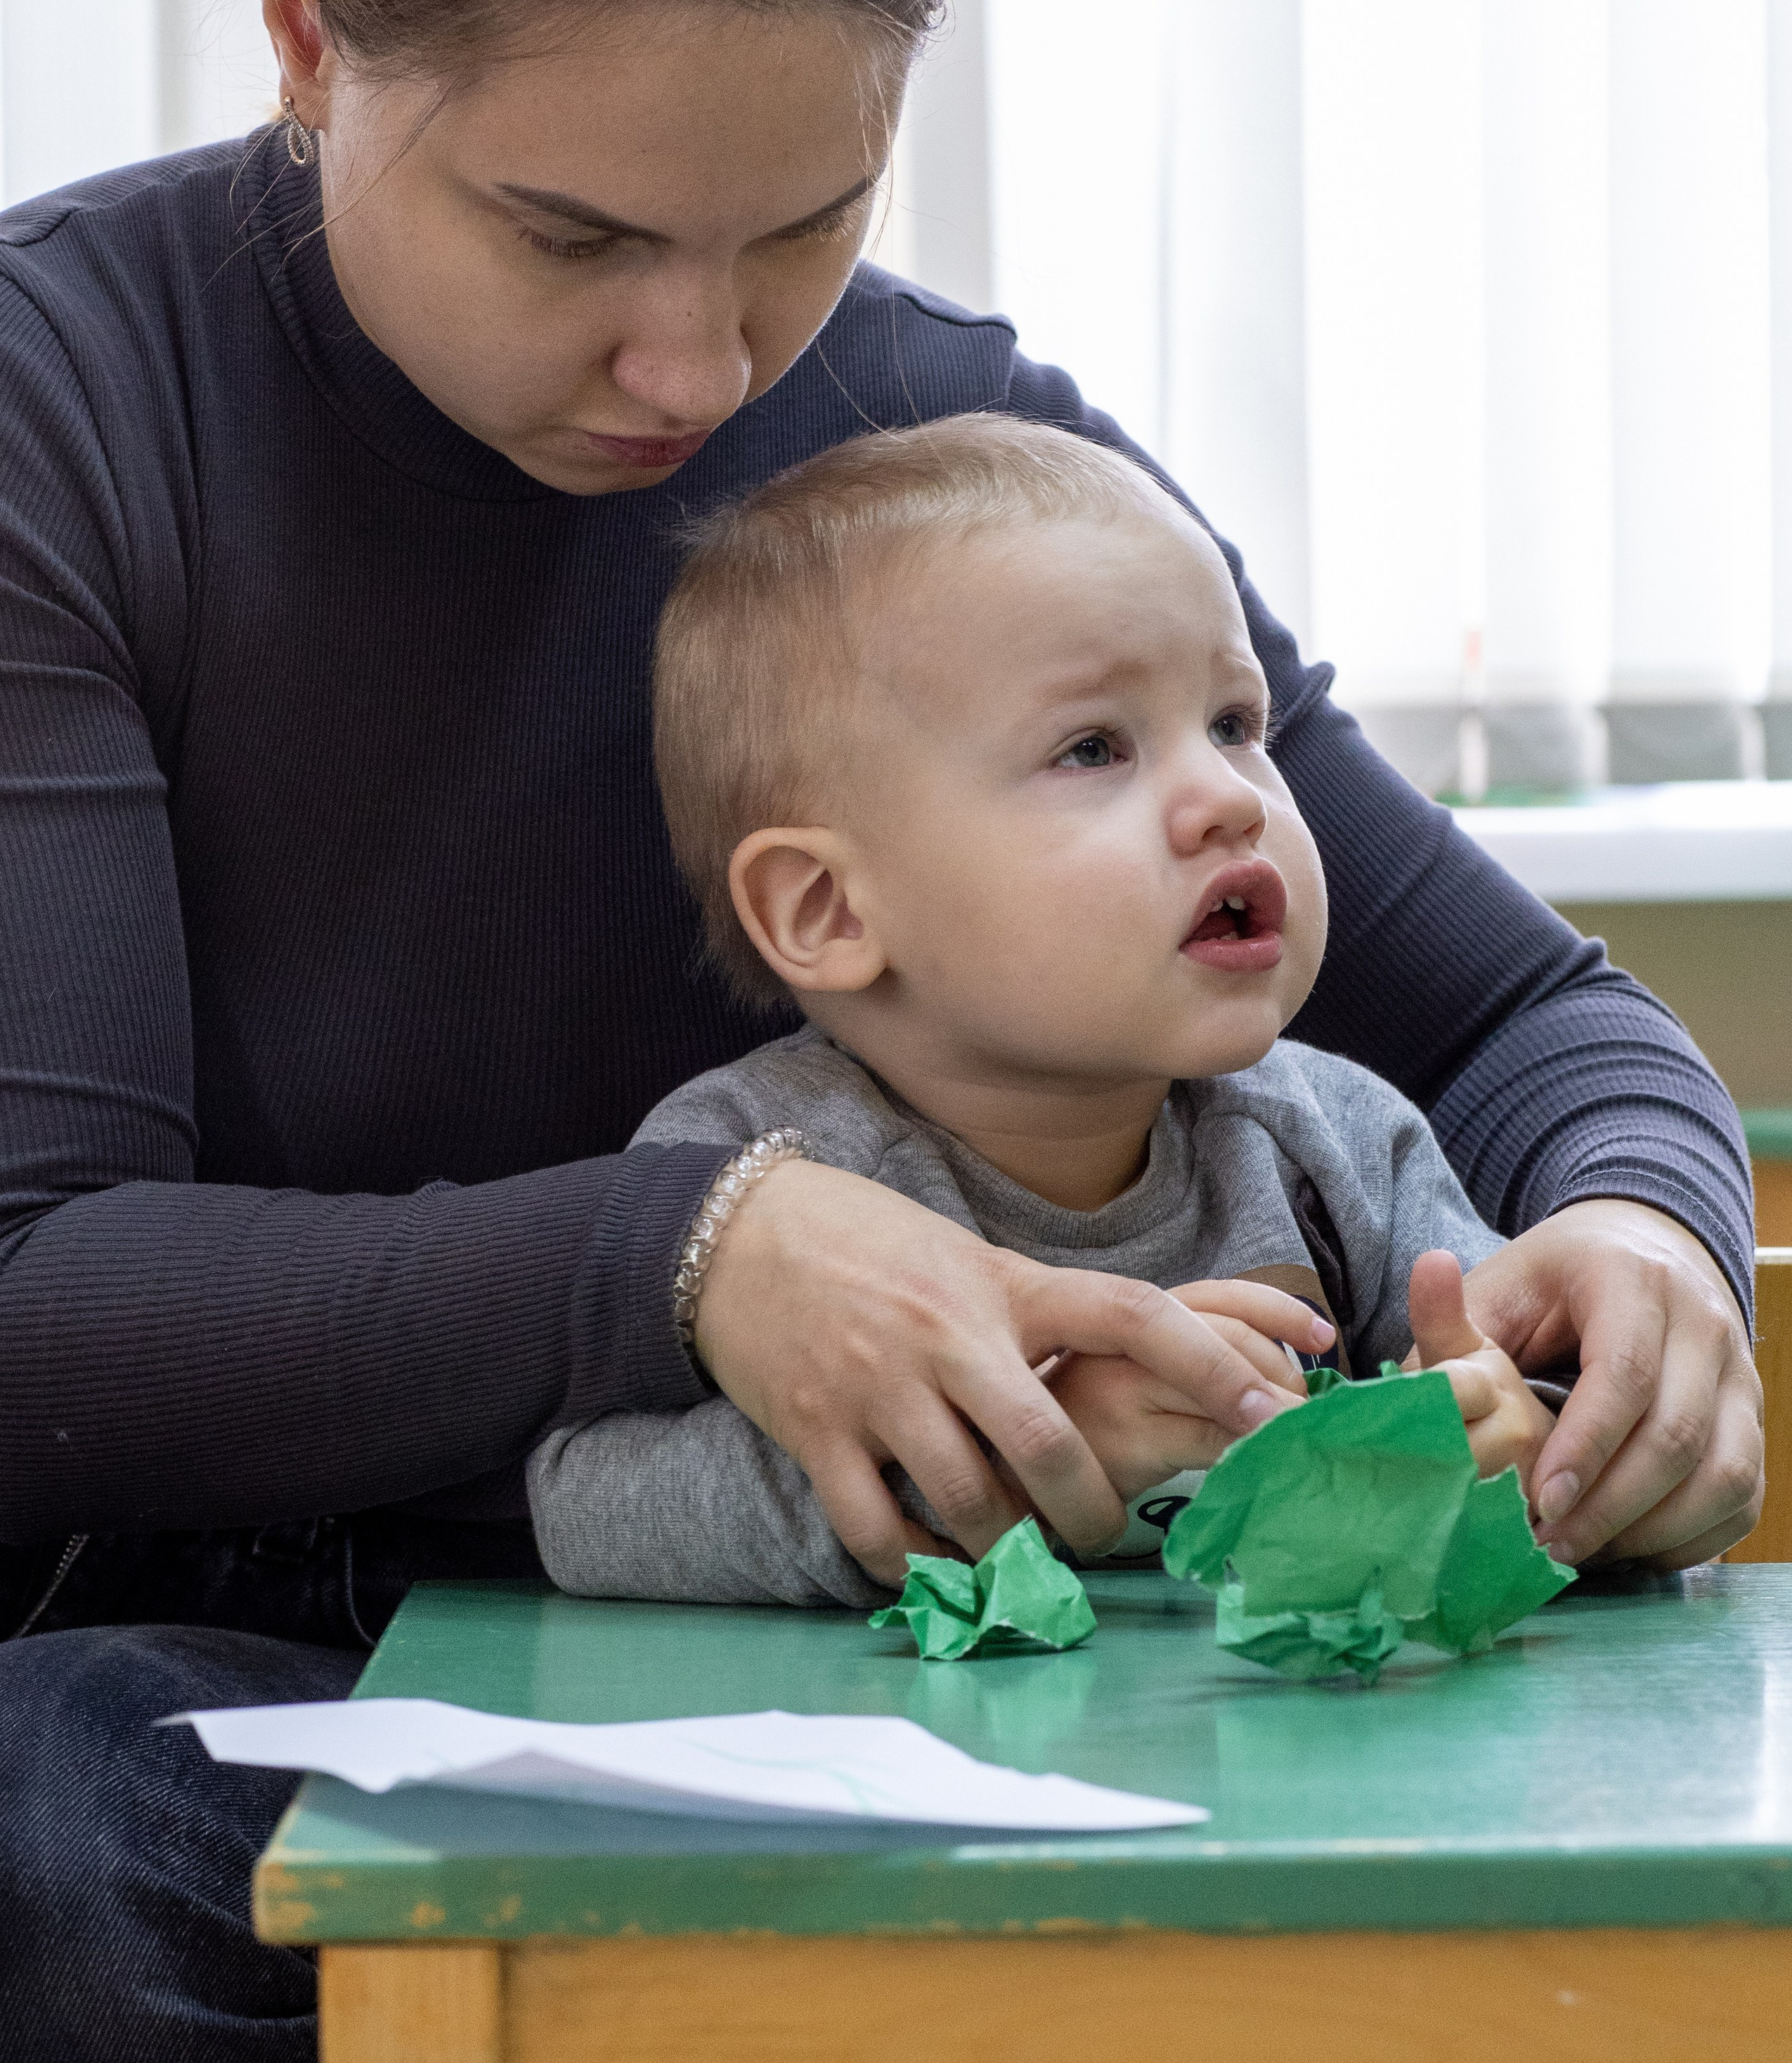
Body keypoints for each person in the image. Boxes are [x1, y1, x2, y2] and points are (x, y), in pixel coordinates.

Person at [0, 0, 1760, 2063]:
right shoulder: (67, 412)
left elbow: (1527, 1012)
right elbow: (39, 1308)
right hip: (225, 1647)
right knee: (107, 1889)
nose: (696, 362)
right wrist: (692, 1250)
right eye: (566, 232)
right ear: (297, 31)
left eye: (808, 222)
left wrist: (1637, 1248)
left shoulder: (942, 460)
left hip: (922, 1660)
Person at [528, 416, 1558, 1607]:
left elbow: (1513, 1397)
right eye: (1092, 748)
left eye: (1234, 724)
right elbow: (588, 1509)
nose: (1228, 799)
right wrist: (1029, 1451)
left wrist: (1507, 1442)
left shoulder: (1340, 1141)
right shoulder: (764, 1168)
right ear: (827, 909)